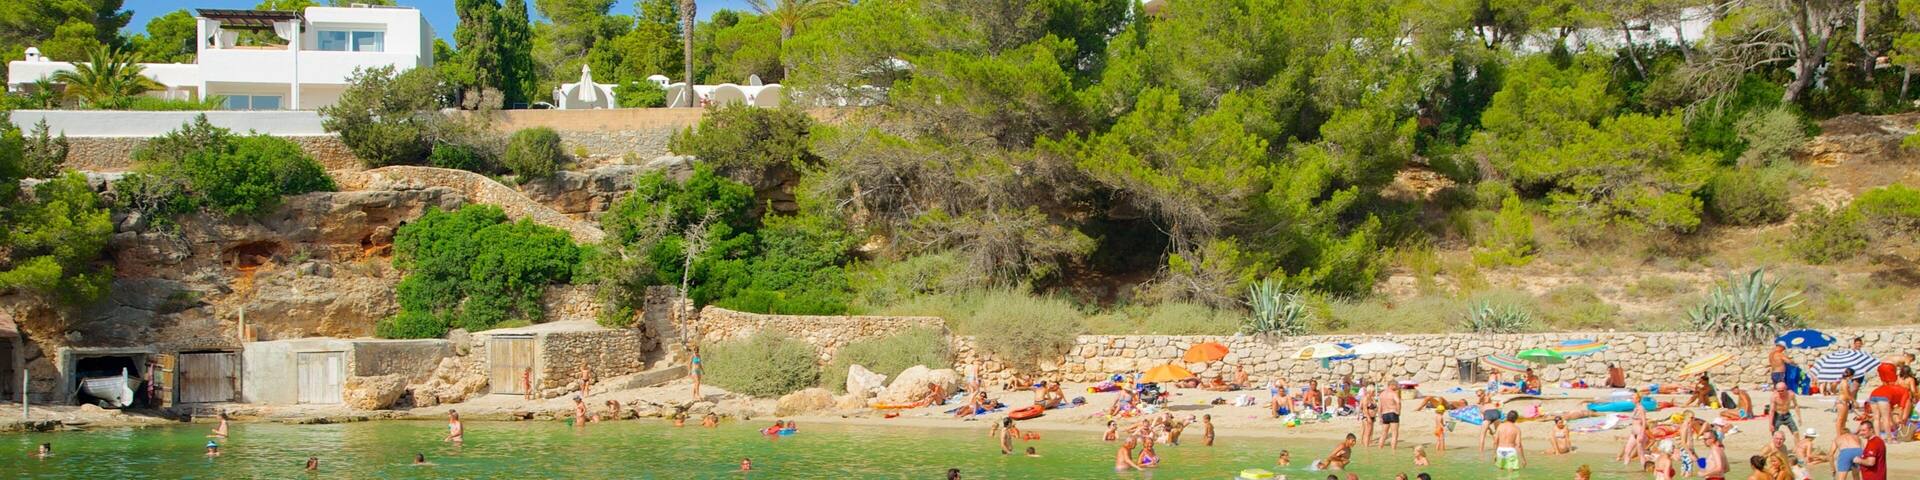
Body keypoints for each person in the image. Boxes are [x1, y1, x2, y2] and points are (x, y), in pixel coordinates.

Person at [1379, 380, 1403, 450]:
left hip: (1384, 414)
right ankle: (1393, 451)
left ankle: (1380, 449)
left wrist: (1380, 417)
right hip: (1393, 413)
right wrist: (1399, 411)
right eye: (1396, 386)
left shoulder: (1382, 394)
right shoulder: (1393, 393)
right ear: (1392, 385)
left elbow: (1379, 406)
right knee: (1394, 433)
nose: (1397, 387)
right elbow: (1398, 402)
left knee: (1384, 433)